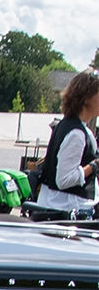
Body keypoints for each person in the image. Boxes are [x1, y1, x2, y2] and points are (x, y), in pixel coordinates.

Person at [36, 69, 99, 212]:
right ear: (86, 98)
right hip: (65, 212)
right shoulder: (76, 133)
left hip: (65, 208)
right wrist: (94, 166)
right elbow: (64, 180)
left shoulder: (72, 127)